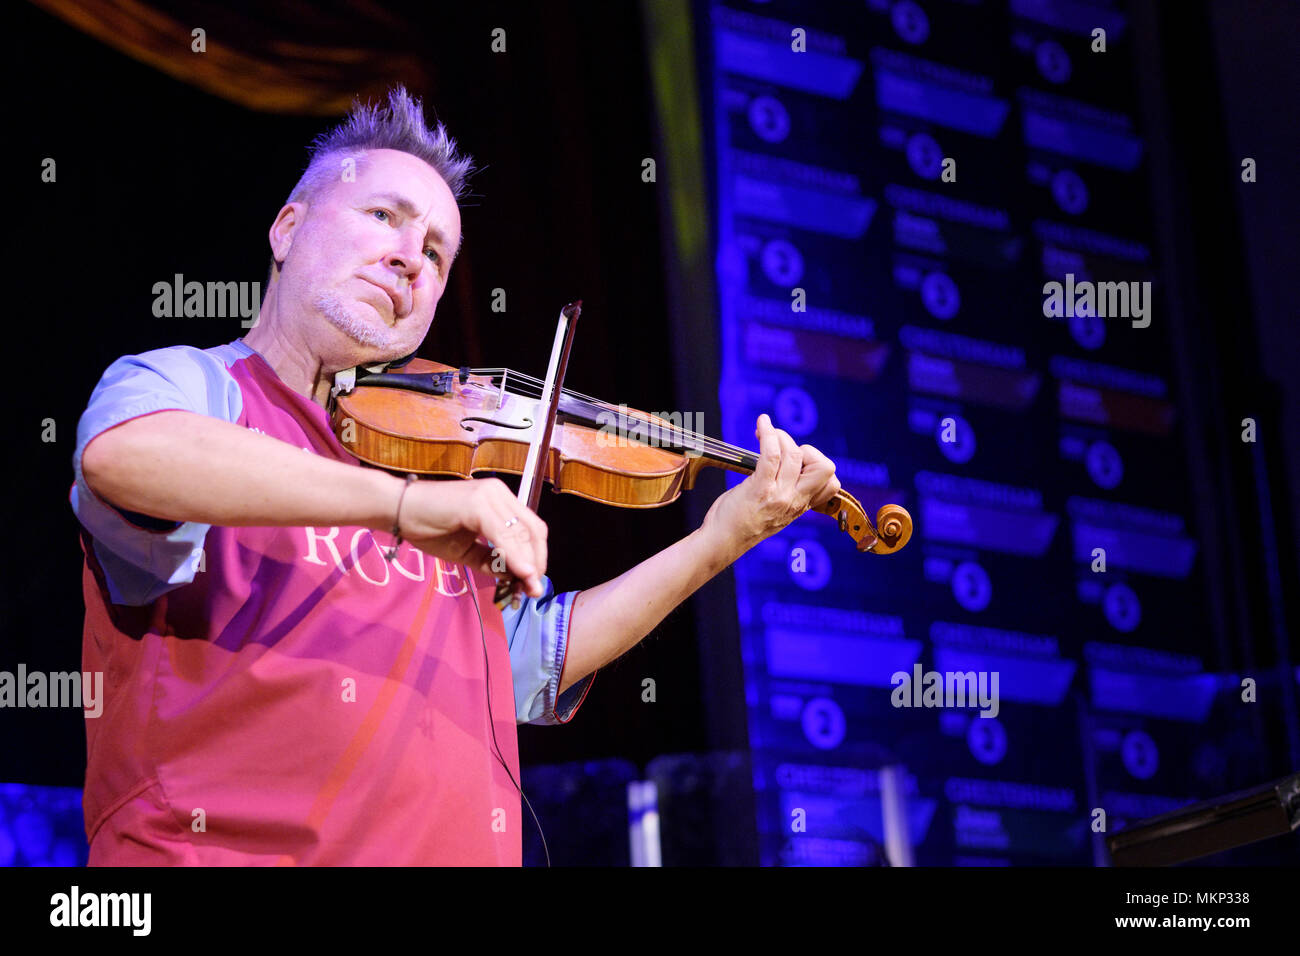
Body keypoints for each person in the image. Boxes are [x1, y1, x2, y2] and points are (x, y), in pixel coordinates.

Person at [71, 86, 842, 865]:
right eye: (383, 217)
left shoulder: (432, 462)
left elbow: (529, 663)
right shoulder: (198, 390)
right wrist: (402, 507)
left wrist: (726, 535)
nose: (411, 256)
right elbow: (124, 455)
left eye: (438, 251)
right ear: (288, 228)